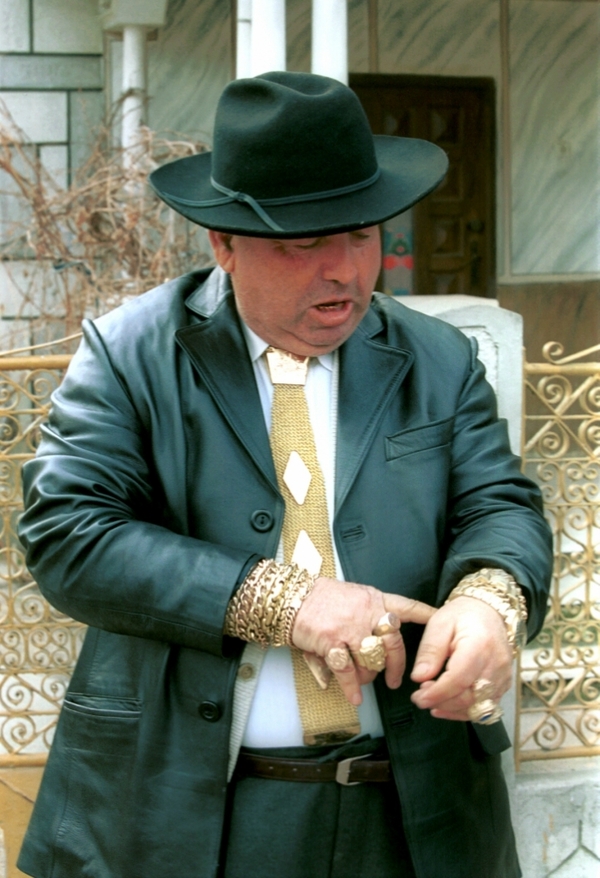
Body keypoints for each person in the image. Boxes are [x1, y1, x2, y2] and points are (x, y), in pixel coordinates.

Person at [17, 72, 552, 878]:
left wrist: (490, 602)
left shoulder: (437, 358)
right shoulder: (131, 354)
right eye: (301, 244)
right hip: (188, 816)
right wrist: (286, 602)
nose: (343, 270)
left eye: (362, 235)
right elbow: (68, 535)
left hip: (417, 815)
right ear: (223, 245)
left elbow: (500, 506)